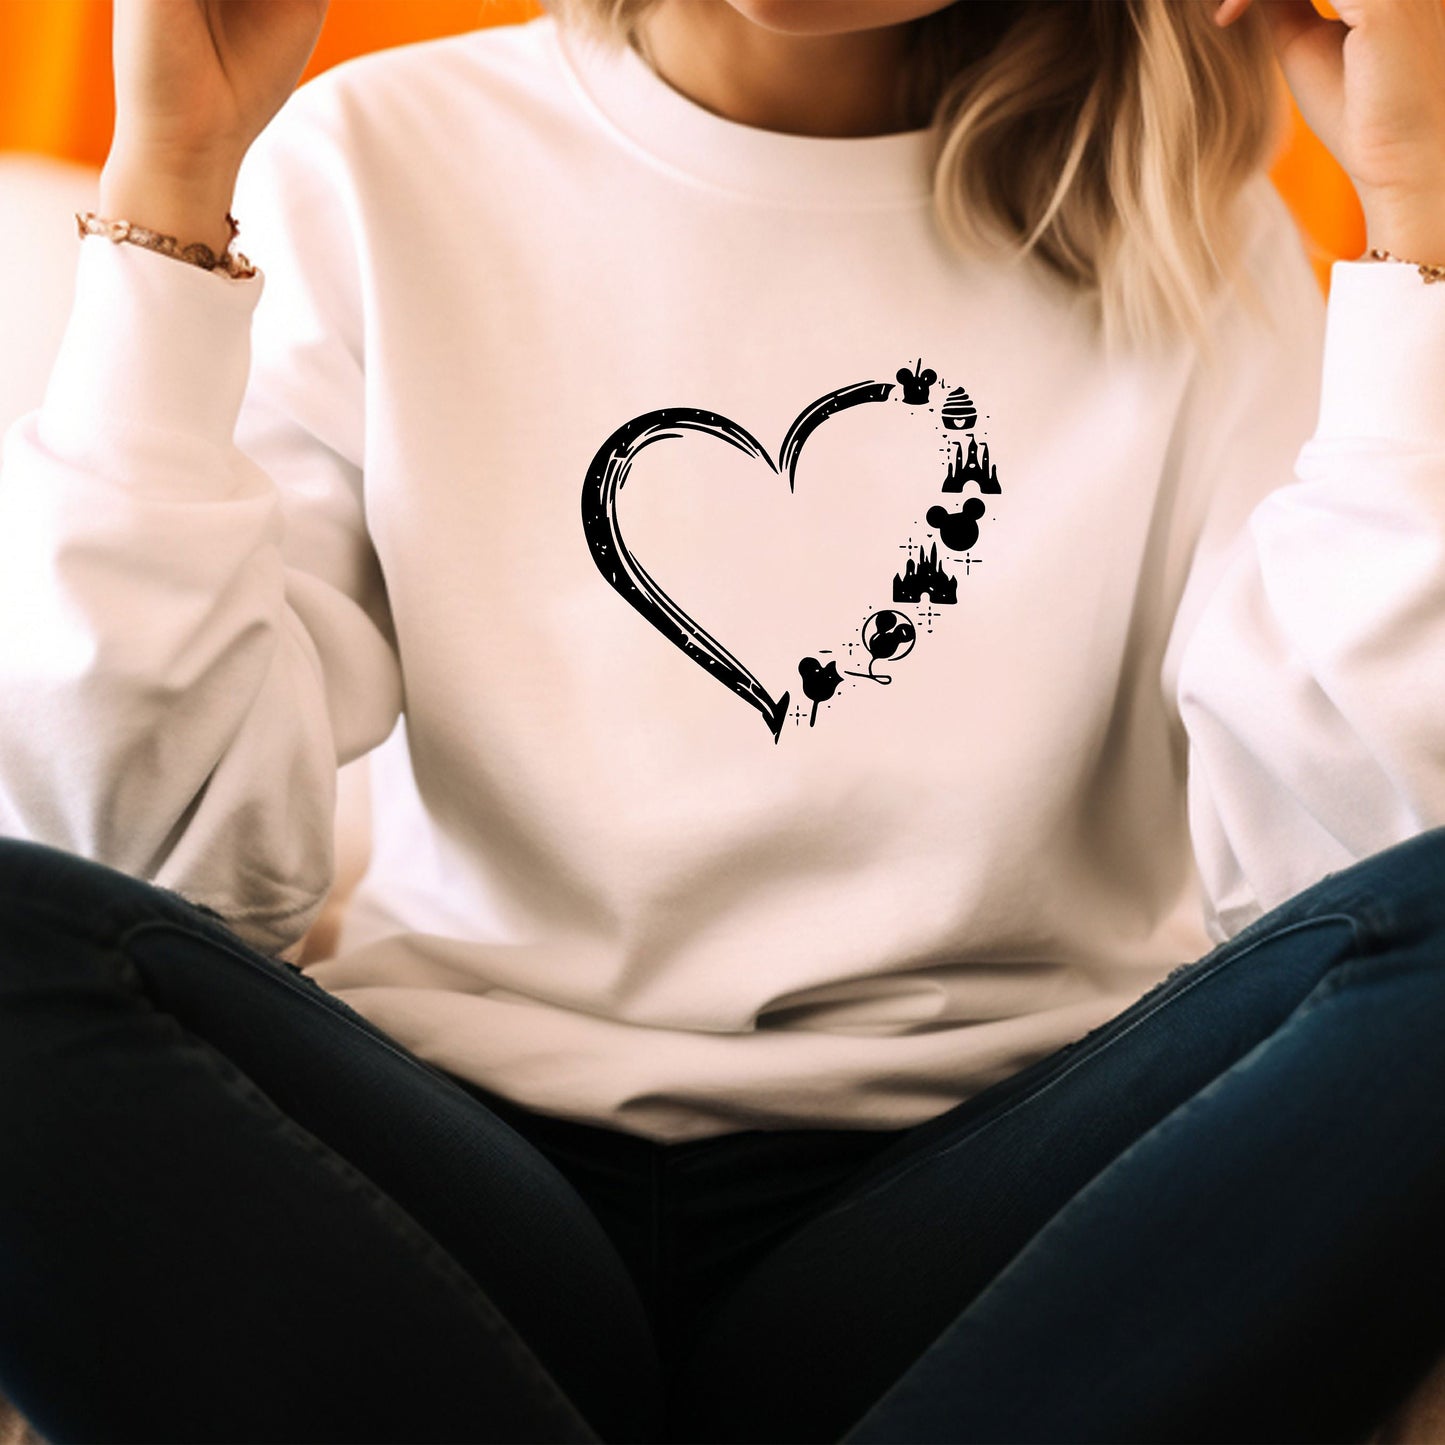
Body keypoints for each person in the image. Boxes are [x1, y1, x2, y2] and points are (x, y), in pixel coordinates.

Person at [0, 0, 1443, 1438]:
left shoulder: (1198, 238)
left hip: (988, 1204)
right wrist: (172, 185)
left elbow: (1343, 888)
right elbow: (138, 877)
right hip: (458, 1181)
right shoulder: (371, 158)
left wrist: (1418, 213)